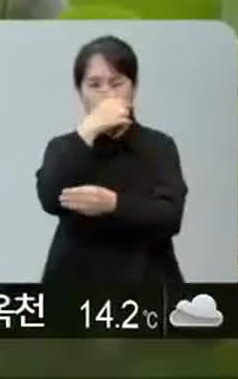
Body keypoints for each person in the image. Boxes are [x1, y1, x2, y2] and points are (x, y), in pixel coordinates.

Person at [34, 35, 187, 289]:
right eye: (94, 85)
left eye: (117, 83)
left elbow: (170, 217)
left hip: (147, 281)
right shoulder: (63, 147)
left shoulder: (159, 146)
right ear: (80, 91)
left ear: (133, 87)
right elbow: (50, 198)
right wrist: (88, 130)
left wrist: (113, 204)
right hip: (74, 285)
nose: (107, 93)